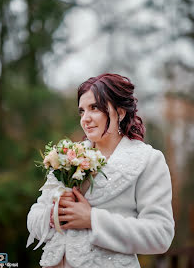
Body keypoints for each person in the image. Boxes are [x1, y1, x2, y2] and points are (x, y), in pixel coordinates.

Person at [26, 73, 175, 268]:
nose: (85, 119)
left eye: (94, 108)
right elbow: (34, 215)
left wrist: (92, 220)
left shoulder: (149, 161)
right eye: (81, 111)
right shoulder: (67, 156)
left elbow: (160, 235)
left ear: (120, 113)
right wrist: (55, 213)